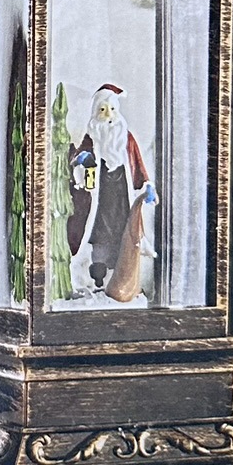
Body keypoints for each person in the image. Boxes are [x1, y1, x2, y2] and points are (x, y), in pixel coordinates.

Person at [66, 83, 157, 303]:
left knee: (122, 235)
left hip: (122, 197)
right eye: (103, 110)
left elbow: (138, 164)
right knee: (98, 236)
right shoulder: (92, 137)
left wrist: (147, 185)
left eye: (112, 110)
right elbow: (77, 161)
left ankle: (118, 282)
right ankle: (96, 279)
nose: (108, 116)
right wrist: (81, 162)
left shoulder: (126, 138)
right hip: (100, 198)